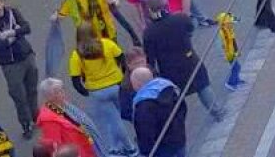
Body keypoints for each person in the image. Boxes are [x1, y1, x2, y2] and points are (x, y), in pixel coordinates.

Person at [141, 0, 223, 122]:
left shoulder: (149, 33)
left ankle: (178, 122)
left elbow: (150, 57)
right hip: (189, 59)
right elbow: (190, 29)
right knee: (202, 86)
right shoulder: (180, 19)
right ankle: (217, 112)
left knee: (176, 97)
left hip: (169, 69)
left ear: (150, 11)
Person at [66, 25, 136, 157]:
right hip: (116, 85)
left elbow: (75, 79)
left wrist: (85, 91)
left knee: (114, 120)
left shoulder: (77, 54)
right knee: (124, 114)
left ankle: (128, 148)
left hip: (97, 91)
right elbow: (122, 58)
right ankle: (125, 144)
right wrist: (123, 75)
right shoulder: (107, 44)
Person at [0, 0, 37, 139]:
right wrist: (17, 33)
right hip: (10, 65)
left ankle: (36, 116)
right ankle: (26, 124)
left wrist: (12, 33)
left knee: (32, 90)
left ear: (2, 3)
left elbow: (27, 27)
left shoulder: (13, 12)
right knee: (19, 96)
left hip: (27, 56)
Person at [52, 0, 139, 47]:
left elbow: (116, 1)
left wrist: (114, 2)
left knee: (115, 54)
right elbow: (61, 15)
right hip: (89, 37)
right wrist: (55, 17)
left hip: (107, 32)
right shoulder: (69, 0)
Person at [129, 67, 187, 157]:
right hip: (179, 137)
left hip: (162, 148)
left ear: (137, 84)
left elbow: (145, 132)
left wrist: (146, 152)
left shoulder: (143, 104)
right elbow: (183, 107)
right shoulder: (169, 87)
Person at [36, 78, 101, 157]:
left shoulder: (65, 106)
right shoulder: (48, 120)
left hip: (85, 149)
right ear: (49, 97)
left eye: (62, 89)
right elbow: (55, 147)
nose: (62, 93)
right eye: (58, 92)